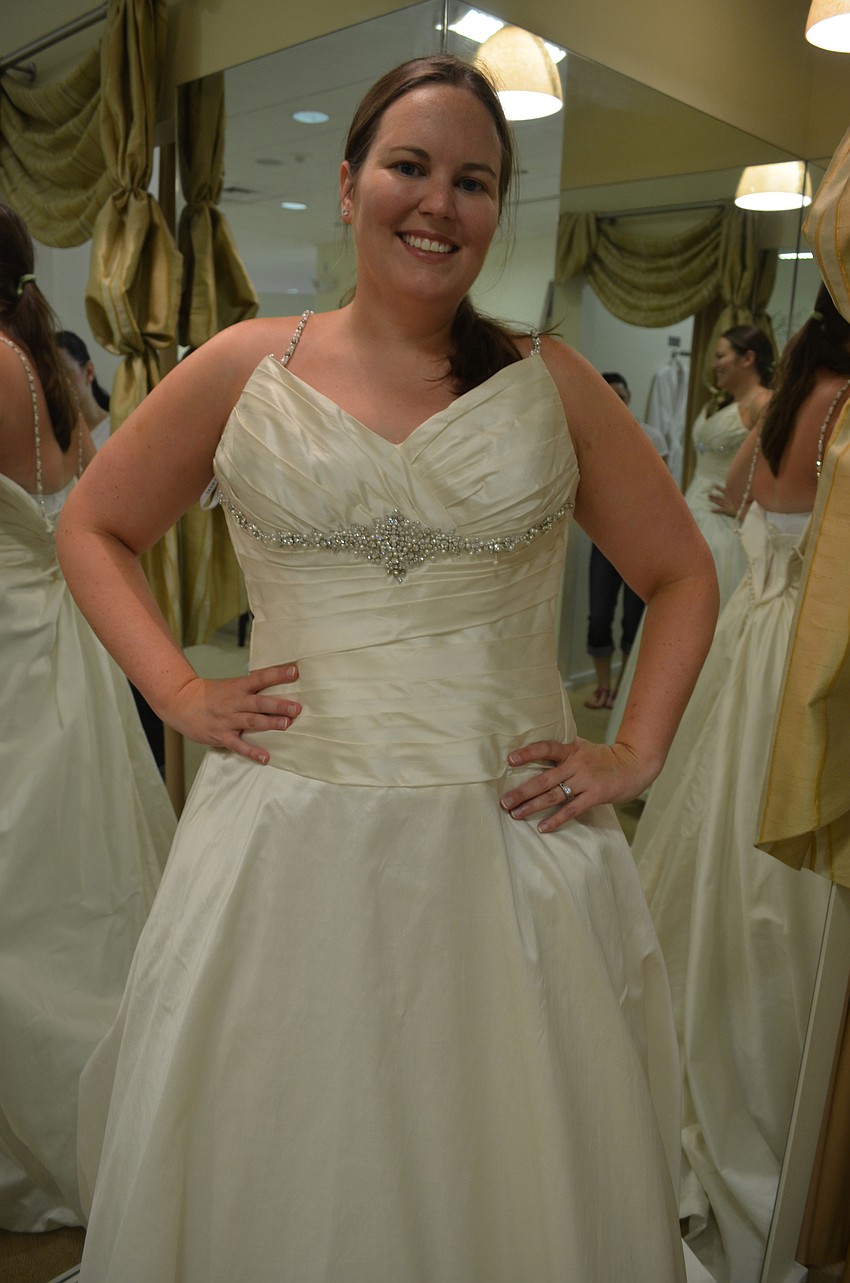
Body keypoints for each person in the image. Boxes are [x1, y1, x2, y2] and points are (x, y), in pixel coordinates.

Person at [58, 56, 717, 1283]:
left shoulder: (547, 380)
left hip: (507, 840)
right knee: (285, 1130)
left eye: (474, 181)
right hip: (287, 833)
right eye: (410, 167)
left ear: (496, 210)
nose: (439, 202)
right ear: (350, 180)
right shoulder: (246, 364)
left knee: (507, 1156)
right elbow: (92, 527)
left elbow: (682, 572)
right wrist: (178, 690)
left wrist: (636, 746)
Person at [630, 283, 850, 1283]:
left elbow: (753, 503)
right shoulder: (837, 400)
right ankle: (768, 1116)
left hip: (753, 649)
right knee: (773, 908)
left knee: (720, 887)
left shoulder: (801, 380)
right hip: (801, 676)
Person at [0, 203, 176, 1231]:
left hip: (16, 637)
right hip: (42, 632)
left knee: (28, 895)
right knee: (53, 880)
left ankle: (58, 1116)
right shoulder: (39, 360)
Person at [606, 323, 773, 742]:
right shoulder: (725, 402)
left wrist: (746, 503)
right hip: (693, 518)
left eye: (721, 356)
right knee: (671, 631)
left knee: (702, 638)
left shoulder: (763, 403)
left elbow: (778, 468)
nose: (714, 364)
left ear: (747, 358)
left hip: (721, 530)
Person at [583, 371, 667, 710]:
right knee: (599, 616)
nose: (615, 402)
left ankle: (621, 687)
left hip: (643, 542)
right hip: (603, 541)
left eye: (620, 396)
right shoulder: (589, 437)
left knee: (634, 619)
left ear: (628, 397)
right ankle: (602, 686)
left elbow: (661, 490)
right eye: (608, 396)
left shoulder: (653, 436)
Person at [55, 329, 111, 450]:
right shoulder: (54, 442)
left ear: (88, 372)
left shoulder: (116, 429)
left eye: (64, 373)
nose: (55, 384)